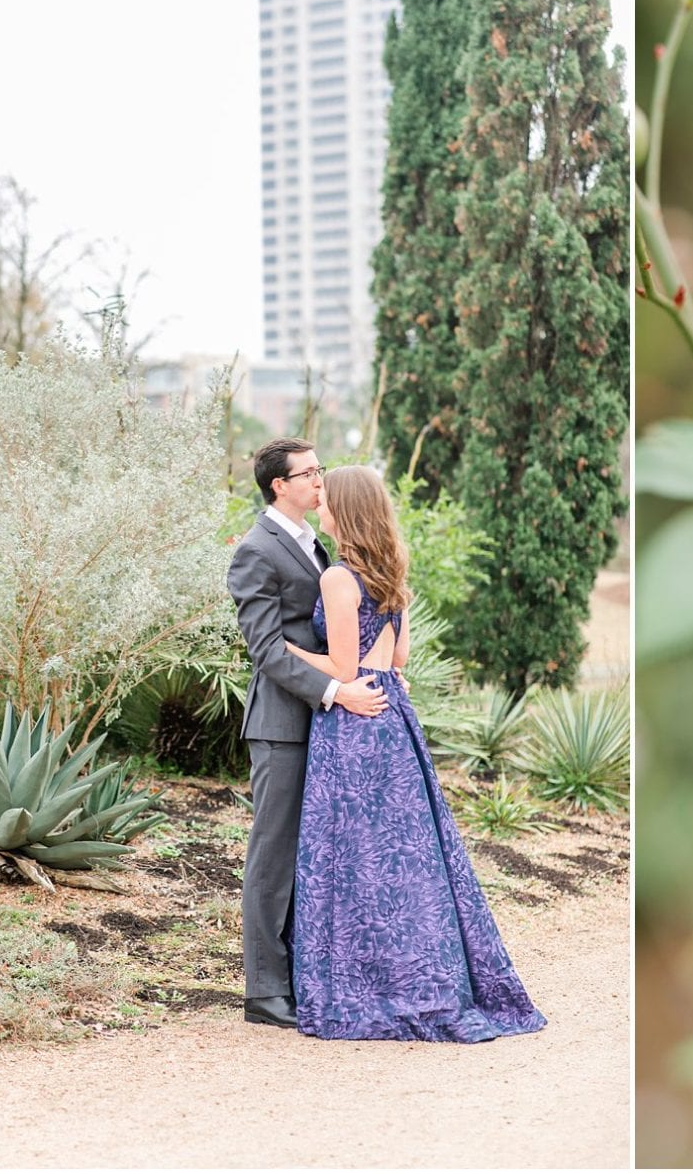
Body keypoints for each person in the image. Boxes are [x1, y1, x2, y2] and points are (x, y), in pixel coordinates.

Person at [280, 463, 546, 1041]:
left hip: (353, 721)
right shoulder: (391, 570)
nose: (318, 503)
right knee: (410, 859)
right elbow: (397, 660)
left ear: (344, 509)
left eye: (325, 496)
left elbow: (343, 669)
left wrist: (286, 651)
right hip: (394, 716)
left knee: (352, 859)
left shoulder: (339, 579)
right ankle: (428, 981)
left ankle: (367, 986)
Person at [227, 438, 387, 1029]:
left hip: (324, 721)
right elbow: (267, 650)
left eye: (321, 470)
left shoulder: (312, 543)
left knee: (312, 855)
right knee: (273, 854)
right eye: (310, 472)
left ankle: (304, 974)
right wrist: (337, 690)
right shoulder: (255, 551)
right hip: (282, 724)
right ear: (280, 486)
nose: (320, 479)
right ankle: (265, 992)